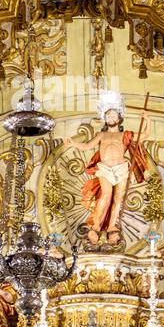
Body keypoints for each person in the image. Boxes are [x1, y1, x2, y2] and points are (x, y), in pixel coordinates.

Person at [63, 98, 149, 245]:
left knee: (118, 199)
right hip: (105, 168)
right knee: (106, 195)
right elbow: (87, 146)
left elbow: (145, 135)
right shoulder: (101, 135)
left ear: (119, 118)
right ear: (105, 118)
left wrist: (147, 119)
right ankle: (95, 224)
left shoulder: (125, 135)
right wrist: (73, 143)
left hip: (121, 168)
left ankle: (112, 225)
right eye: (108, 115)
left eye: (113, 115)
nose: (111, 117)